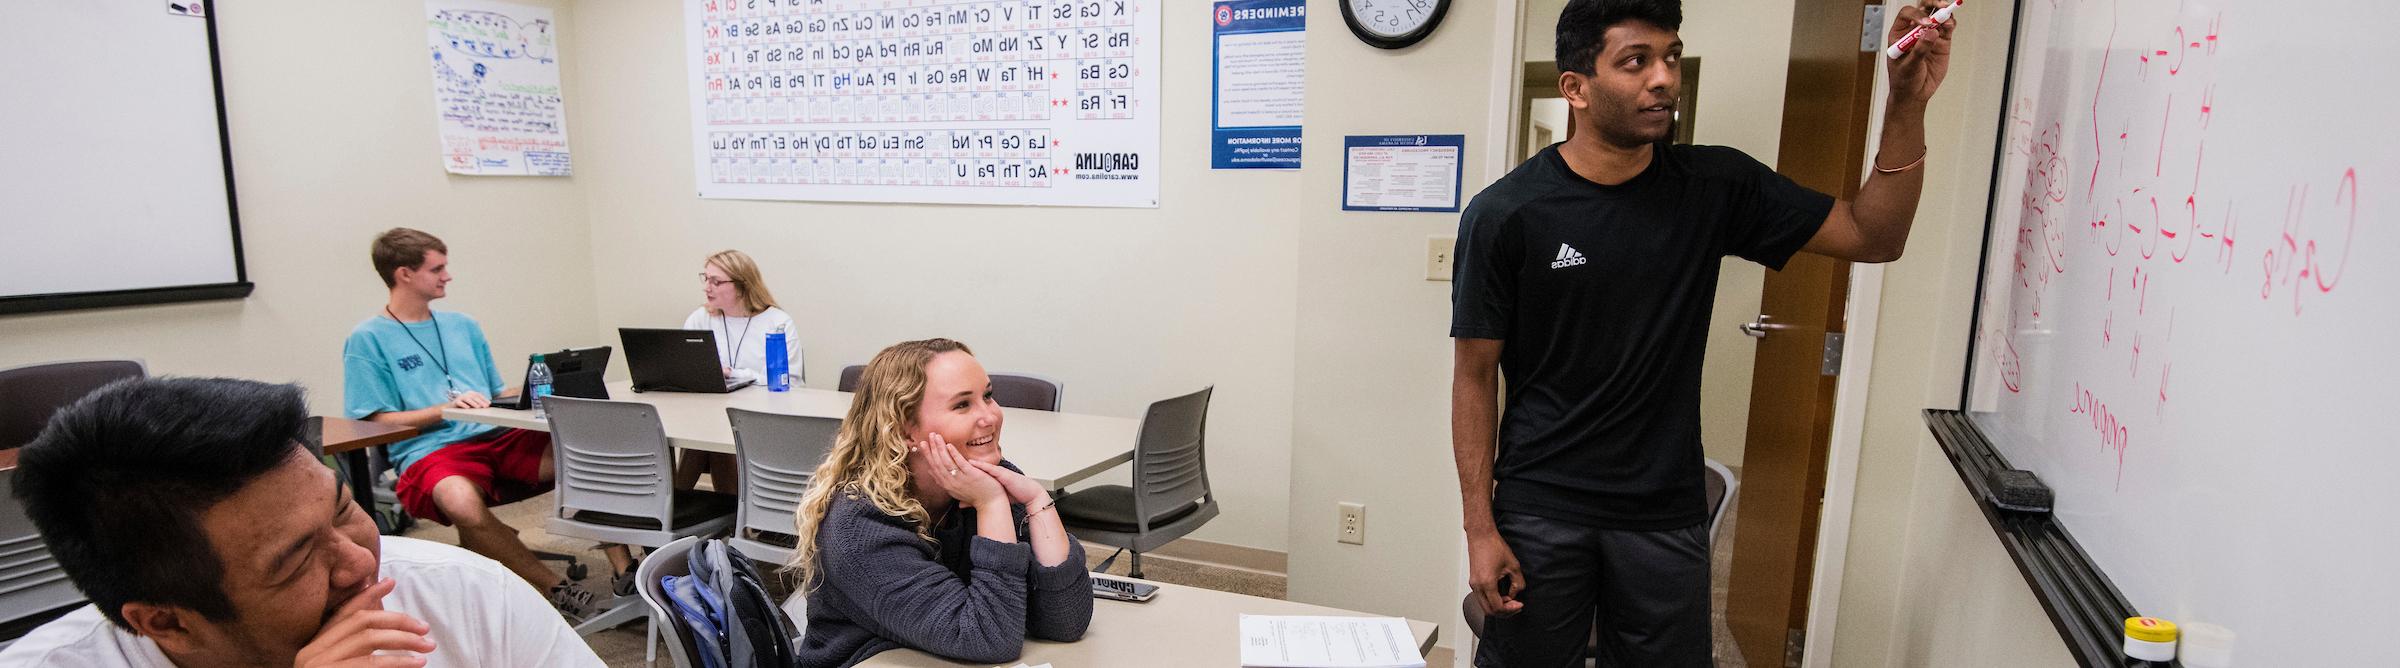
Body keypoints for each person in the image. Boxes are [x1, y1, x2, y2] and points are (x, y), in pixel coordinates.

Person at [1448, 0, 1954, 665]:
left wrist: (1905, 106)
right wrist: (1479, 528)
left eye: (1672, 57)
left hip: (1663, 510)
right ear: (1574, 87)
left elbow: (1874, 235)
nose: (1663, 78)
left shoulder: (1713, 186)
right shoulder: (1505, 214)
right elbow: (1474, 376)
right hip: (1542, 507)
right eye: (1636, 61)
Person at [0, 377, 604, 667]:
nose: (361, 561)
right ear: (166, 622)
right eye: (294, 563)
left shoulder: (468, 595)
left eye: (344, 510)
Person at [342, 227, 623, 618]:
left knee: (589, 458)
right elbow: (375, 421)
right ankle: (557, 590)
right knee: (462, 504)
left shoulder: (463, 326)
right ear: (403, 274)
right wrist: (446, 409)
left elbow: (493, 393)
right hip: (431, 450)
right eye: (437, 268)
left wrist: (548, 385)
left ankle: (626, 573)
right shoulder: (368, 339)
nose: (447, 275)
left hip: (497, 435)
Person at [788, 338, 1090, 668]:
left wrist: (1036, 500)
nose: (990, 416)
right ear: (905, 430)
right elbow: (990, 639)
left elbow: (1066, 621)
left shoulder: (985, 479)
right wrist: (991, 505)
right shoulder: (860, 528)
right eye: (963, 405)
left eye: (987, 396)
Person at [676, 249, 804, 493]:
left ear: (742, 285)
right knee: (705, 428)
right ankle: (677, 505)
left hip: (760, 416)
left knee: (720, 431)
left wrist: (736, 374)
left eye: (716, 281)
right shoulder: (700, 319)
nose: (707, 288)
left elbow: (792, 381)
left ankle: (722, 511)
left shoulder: (777, 322)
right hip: (707, 413)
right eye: (706, 278)